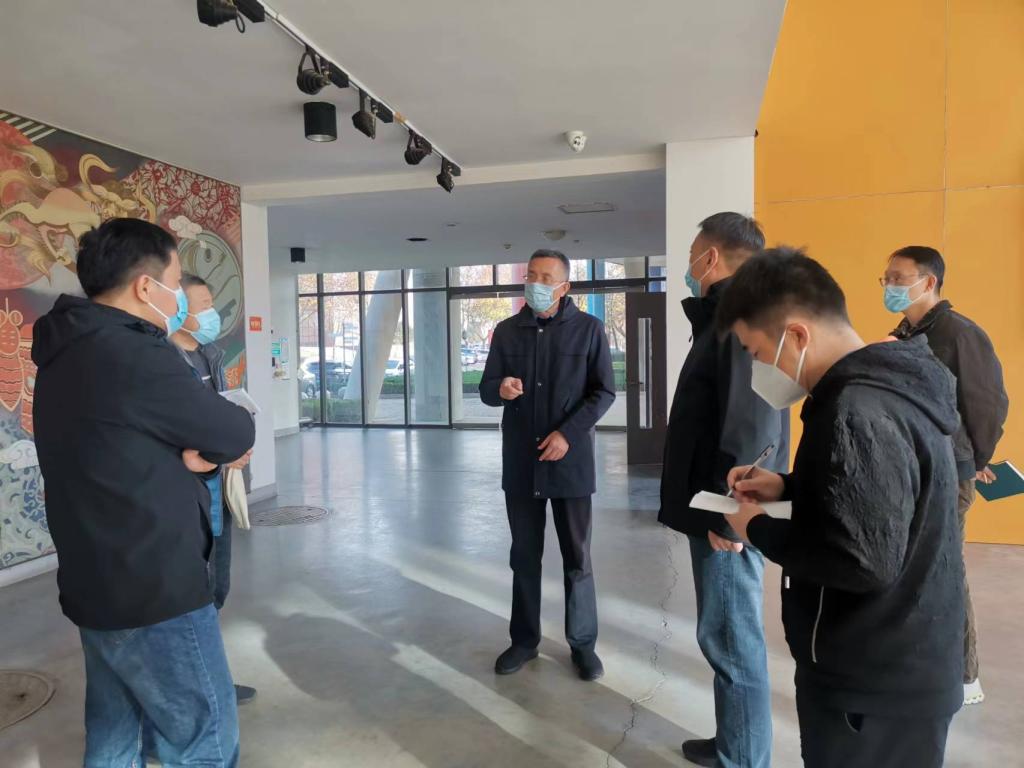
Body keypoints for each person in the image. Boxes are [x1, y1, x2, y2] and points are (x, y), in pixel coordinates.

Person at [716, 248, 964, 768]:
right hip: (901, 663)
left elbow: (862, 561)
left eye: (757, 353)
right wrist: (787, 487)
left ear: (796, 336)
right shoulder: (884, 388)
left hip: (873, 684)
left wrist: (755, 528)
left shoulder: (856, 409)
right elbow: (879, 497)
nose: (757, 369)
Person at [33, 218, 255, 767]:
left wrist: (187, 457)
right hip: (153, 584)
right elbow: (233, 432)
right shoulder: (133, 353)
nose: (180, 298)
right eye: (176, 284)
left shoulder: (66, 350)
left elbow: (116, 447)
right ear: (144, 286)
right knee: (204, 741)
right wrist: (202, 454)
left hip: (94, 578)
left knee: (115, 732)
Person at [658, 213, 788, 768]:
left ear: (710, 257)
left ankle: (744, 758)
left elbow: (751, 427)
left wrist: (729, 516)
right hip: (721, 508)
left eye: (693, 254)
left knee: (732, 641)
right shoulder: (733, 314)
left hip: (728, 515)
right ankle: (733, 742)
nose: (689, 266)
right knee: (725, 635)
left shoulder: (739, 318)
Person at [480, 249, 616, 681]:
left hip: (570, 465)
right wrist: (500, 387)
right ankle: (524, 641)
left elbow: (604, 392)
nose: (535, 283)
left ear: (564, 286)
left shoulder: (589, 330)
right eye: (531, 275)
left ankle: (583, 645)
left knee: (578, 558)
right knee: (524, 556)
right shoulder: (507, 331)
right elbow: (486, 388)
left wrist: (567, 434)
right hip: (522, 464)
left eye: (545, 277)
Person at [883, 245, 1008, 706]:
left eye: (898, 278)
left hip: (949, 472)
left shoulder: (960, 333)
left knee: (944, 568)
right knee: (910, 567)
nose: (890, 286)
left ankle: (964, 675)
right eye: (886, 279)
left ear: (929, 282)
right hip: (911, 465)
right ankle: (917, 660)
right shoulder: (905, 333)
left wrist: (976, 459)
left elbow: (987, 404)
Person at [171, 273, 258, 706]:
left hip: (216, 492)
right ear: (177, 310)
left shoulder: (210, 355)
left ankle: (209, 681)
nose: (212, 314)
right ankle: (197, 691)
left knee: (215, 589)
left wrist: (232, 449)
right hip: (184, 500)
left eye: (211, 303)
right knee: (189, 597)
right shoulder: (164, 363)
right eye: (202, 305)